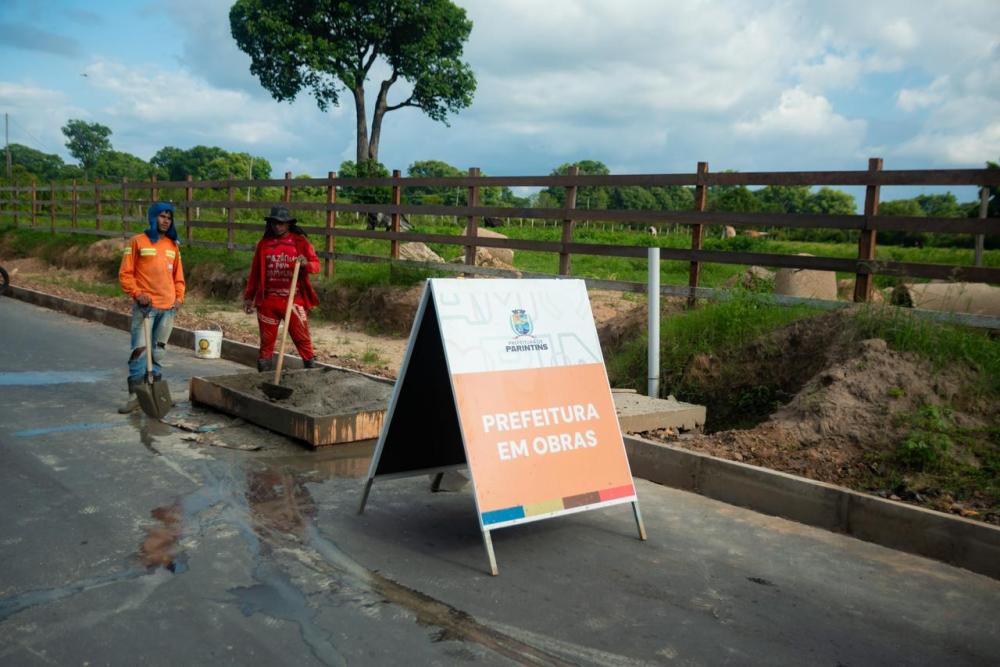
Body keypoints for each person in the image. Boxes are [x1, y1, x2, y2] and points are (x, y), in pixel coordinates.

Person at [118, 202, 185, 413]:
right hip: (145, 308)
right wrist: (138, 294)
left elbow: (178, 277)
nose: (166, 220)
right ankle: (135, 396)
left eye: (169, 217)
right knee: (140, 351)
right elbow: (125, 274)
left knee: (159, 352)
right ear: (153, 217)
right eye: (162, 216)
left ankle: (157, 393)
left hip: (168, 308)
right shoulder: (137, 241)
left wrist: (179, 298)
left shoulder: (173, 246)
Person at [243, 206, 321, 372]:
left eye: (281, 223)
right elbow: (255, 273)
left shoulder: (300, 243)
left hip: (294, 300)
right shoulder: (264, 245)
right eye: (274, 223)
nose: (277, 227)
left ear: (288, 224)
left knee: (302, 339)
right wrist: (249, 297)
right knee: (266, 342)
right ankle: (265, 378)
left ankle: (312, 370)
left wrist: (306, 263)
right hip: (268, 302)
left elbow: (316, 265)